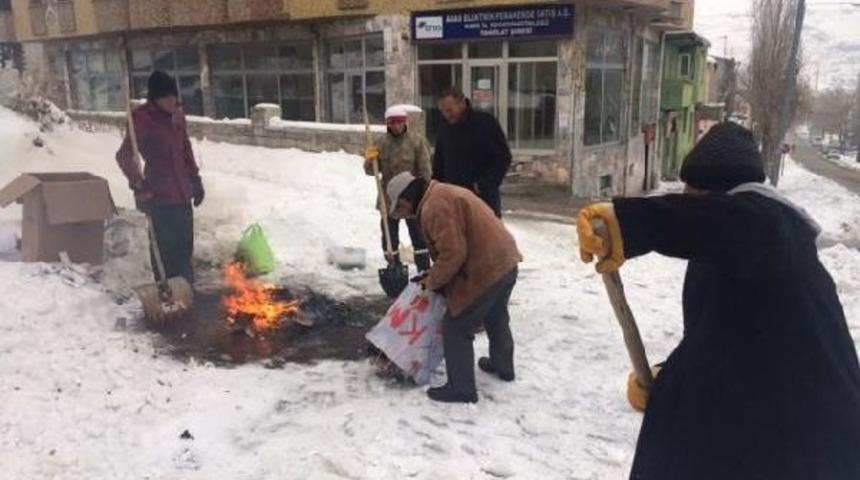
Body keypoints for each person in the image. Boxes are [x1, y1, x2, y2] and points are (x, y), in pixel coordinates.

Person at [576, 122, 860, 480]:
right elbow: (724, 333)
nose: (684, 196)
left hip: (806, 446)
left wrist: (632, 222)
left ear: (721, 197)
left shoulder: (769, 229)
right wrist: (671, 377)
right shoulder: (729, 252)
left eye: (692, 192)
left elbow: (729, 224)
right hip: (764, 420)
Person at [386, 171, 522, 403]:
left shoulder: (434, 206)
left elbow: (453, 254)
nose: (403, 213)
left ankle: (461, 388)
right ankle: (503, 365)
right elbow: (453, 248)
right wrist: (434, 275)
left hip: (486, 268)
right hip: (505, 261)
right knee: (496, 314)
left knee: (456, 325)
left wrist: (432, 282)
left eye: (400, 207)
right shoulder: (440, 193)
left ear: (407, 198)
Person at [116, 70, 204, 284]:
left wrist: (195, 180)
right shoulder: (143, 119)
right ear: (155, 98)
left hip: (182, 195)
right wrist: (138, 184)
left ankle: (186, 290)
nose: (172, 101)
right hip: (159, 198)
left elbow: (185, 150)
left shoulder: (177, 116)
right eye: (166, 97)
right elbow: (124, 155)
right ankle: (167, 291)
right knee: (165, 254)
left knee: (184, 250)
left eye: (174, 96)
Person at [364, 106, 433, 272]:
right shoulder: (380, 143)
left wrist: (426, 192)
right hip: (389, 197)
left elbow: (426, 170)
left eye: (399, 122)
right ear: (387, 124)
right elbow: (370, 171)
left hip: (412, 197)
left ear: (405, 123)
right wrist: (370, 160)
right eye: (392, 123)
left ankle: (424, 269)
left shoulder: (416, 141)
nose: (396, 126)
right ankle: (394, 267)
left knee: (418, 235)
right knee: (389, 236)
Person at [433, 87, 512, 218]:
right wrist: (437, 189)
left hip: (483, 199)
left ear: (462, 103)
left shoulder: (485, 123)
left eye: (450, 110)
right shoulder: (444, 128)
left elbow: (503, 157)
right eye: (443, 111)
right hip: (453, 199)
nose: (447, 115)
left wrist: (485, 185)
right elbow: (439, 163)